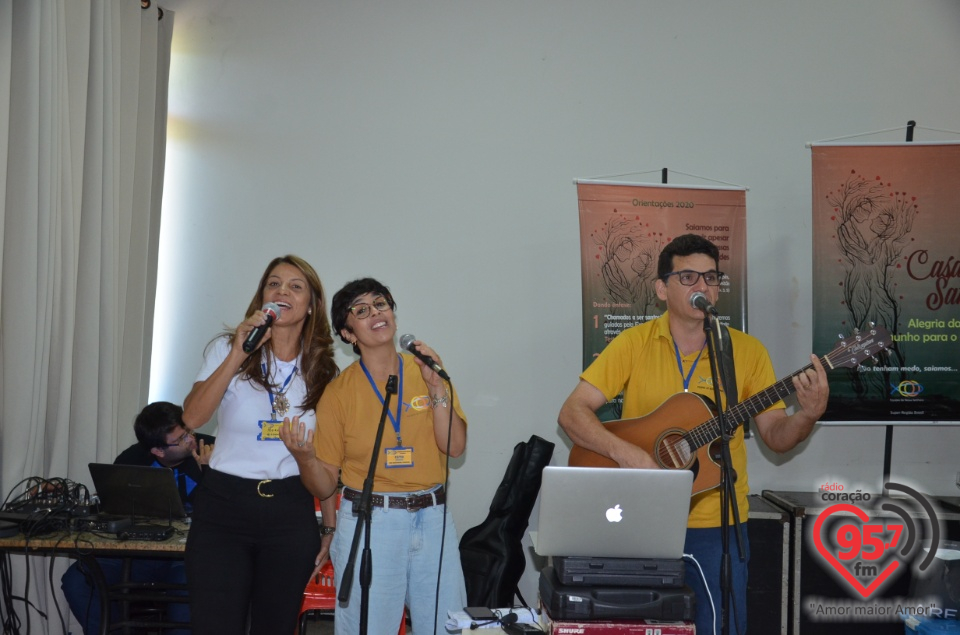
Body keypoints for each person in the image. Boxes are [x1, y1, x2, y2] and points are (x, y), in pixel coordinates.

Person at [557, 234, 829, 635]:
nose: (703, 286)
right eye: (688, 277)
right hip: (640, 518)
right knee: (637, 626)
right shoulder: (633, 344)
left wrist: (807, 415)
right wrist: (628, 454)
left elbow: (776, 436)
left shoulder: (747, 352)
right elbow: (572, 414)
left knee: (719, 626)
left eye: (711, 277)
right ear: (661, 289)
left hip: (717, 525)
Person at [280, 277, 468, 635]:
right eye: (362, 310)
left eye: (381, 304)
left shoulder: (429, 370)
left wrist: (436, 389)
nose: (376, 313)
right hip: (371, 521)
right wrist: (305, 458)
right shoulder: (338, 393)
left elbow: (455, 447)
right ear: (348, 333)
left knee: (446, 629)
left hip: (433, 518)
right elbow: (324, 484)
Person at [181, 255, 339, 635]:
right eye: (274, 284)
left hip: (289, 511)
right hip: (224, 507)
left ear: (312, 305)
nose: (282, 290)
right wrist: (239, 352)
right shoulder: (227, 349)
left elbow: (330, 458)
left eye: (295, 286)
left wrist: (330, 528)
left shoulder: (324, 371)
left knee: (276, 626)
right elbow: (192, 418)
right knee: (215, 625)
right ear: (262, 297)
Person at [61, 401, 215, 635]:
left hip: (187, 558)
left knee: (189, 589)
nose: (192, 440)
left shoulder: (212, 451)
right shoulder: (131, 461)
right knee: (77, 581)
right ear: (158, 451)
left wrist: (212, 472)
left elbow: (233, 512)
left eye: (189, 432)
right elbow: (113, 510)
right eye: (181, 439)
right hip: (135, 556)